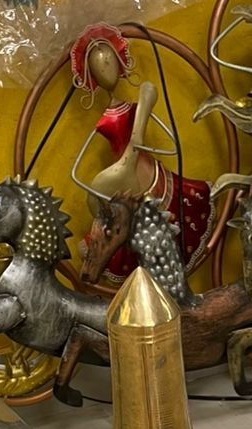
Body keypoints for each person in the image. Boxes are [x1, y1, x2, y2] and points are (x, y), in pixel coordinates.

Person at [69, 22, 213, 283]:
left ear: (121, 64)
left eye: (109, 63)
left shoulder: (137, 108)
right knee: (115, 236)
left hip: (152, 175)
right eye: (99, 67)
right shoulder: (103, 122)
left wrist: (140, 138)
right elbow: (77, 173)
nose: (106, 70)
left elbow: (171, 143)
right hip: (125, 185)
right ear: (92, 77)